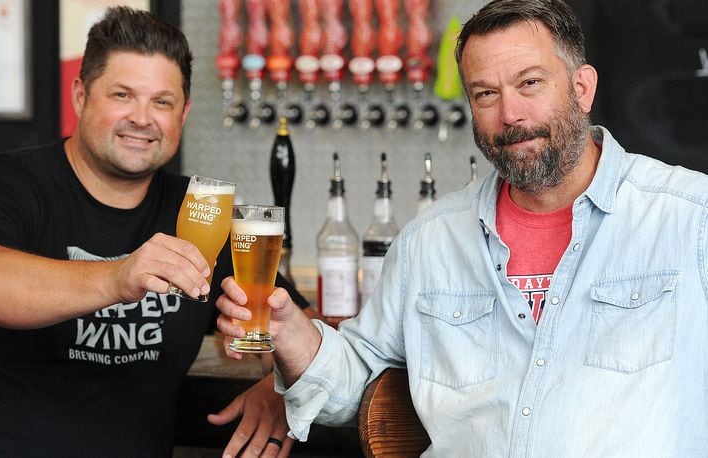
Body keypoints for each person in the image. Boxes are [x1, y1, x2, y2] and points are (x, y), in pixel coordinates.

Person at [216, 0, 708, 455]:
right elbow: (353, 383)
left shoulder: (689, 216)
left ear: (581, 88)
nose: (510, 114)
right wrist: (291, 333)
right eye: (485, 93)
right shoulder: (431, 240)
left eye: (530, 83)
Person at [0, 7, 307, 457]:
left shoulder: (202, 211)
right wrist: (117, 277)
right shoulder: (3, 183)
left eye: (162, 102)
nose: (142, 118)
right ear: (80, 96)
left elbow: (294, 320)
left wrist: (282, 387)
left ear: (183, 113)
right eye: (122, 95)